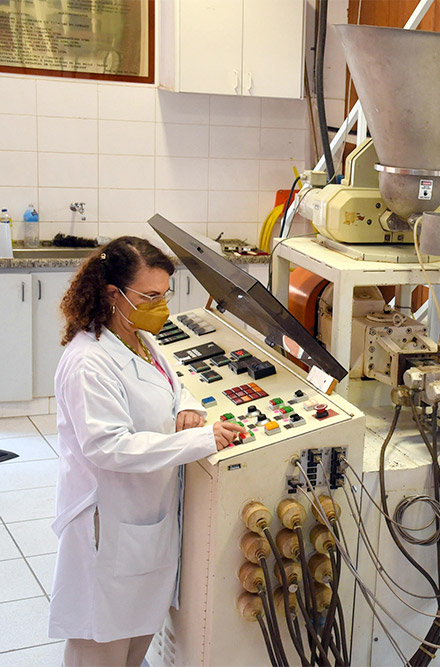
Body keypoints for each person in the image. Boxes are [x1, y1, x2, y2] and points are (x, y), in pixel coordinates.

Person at [48, 236, 246, 667]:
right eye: (150, 296)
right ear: (112, 294)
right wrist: (199, 440)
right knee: (101, 644)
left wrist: (190, 410)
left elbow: (175, 386)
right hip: (109, 522)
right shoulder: (90, 361)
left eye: (165, 295)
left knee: (135, 642)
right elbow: (107, 446)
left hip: (144, 519)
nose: (162, 306)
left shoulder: (139, 340)